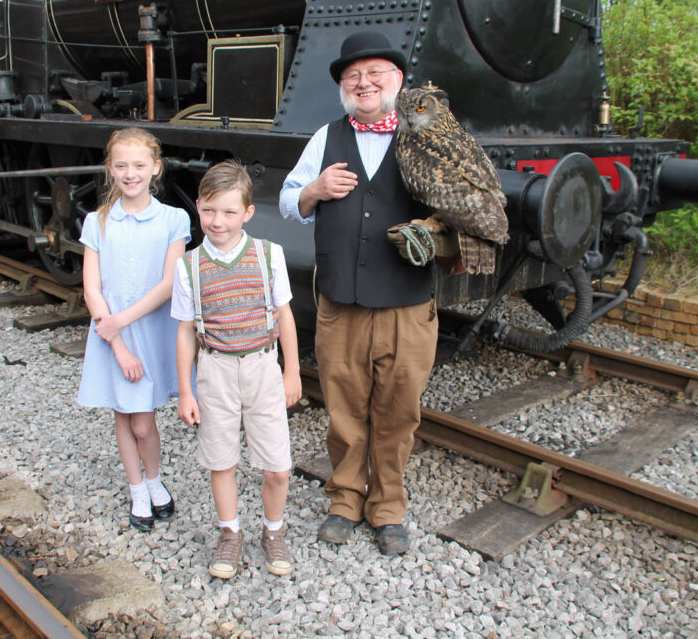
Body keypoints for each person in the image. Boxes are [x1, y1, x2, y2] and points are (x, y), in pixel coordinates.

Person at [279, 31, 438, 556]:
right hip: (341, 305)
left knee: (398, 411)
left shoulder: (428, 138)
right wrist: (313, 191)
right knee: (345, 411)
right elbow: (284, 201)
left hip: (408, 306)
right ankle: (345, 499)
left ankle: (388, 507)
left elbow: (463, 209)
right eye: (354, 77)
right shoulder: (326, 137)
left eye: (376, 74)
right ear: (344, 87)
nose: (364, 83)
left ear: (397, 81)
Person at [172, 160, 302, 579]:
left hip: (263, 368)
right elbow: (185, 332)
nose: (217, 221)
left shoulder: (268, 256)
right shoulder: (188, 266)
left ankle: (273, 530)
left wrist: (292, 372)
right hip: (215, 372)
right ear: (197, 207)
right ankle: (230, 533)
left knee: (277, 467)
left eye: (229, 212)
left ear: (248, 213)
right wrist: (187, 390)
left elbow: (284, 317)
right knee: (221, 460)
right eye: (209, 210)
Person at [77, 127, 191, 532]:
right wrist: (117, 342)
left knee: (142, 421)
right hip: (112, 337)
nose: (130, 173)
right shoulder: (98, 221)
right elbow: (92, 288)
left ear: (155, 168)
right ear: (109, 169)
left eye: (139, 165)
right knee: (125, 416)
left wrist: (120, 322)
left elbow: (166, 284)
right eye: (121, 165)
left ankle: (154, 478)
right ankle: (138, 488)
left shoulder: (173, 220)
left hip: (148, 330)